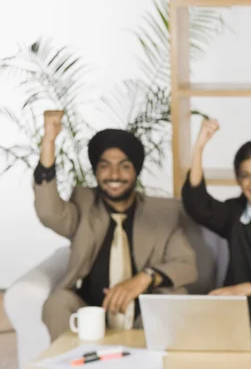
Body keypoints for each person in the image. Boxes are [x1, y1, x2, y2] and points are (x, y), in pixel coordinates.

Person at [35, 110, 199, 341]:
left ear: (135, 171)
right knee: (57, 303)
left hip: (144, 313)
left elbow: (187, 265)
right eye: (105, 166)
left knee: (177, 297)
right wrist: (49, 142)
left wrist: (143, 279)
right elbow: (48, 212)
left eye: (124, 166)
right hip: (90, 310)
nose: (114, 175)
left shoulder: (162, 213)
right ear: (96, 171)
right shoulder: (83, 204)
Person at [181, 119, 251, 327]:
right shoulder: (233, 215)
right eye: (245, 176)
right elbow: (197, 205)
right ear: (238, 180)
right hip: (238, 319)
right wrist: (199, 147)